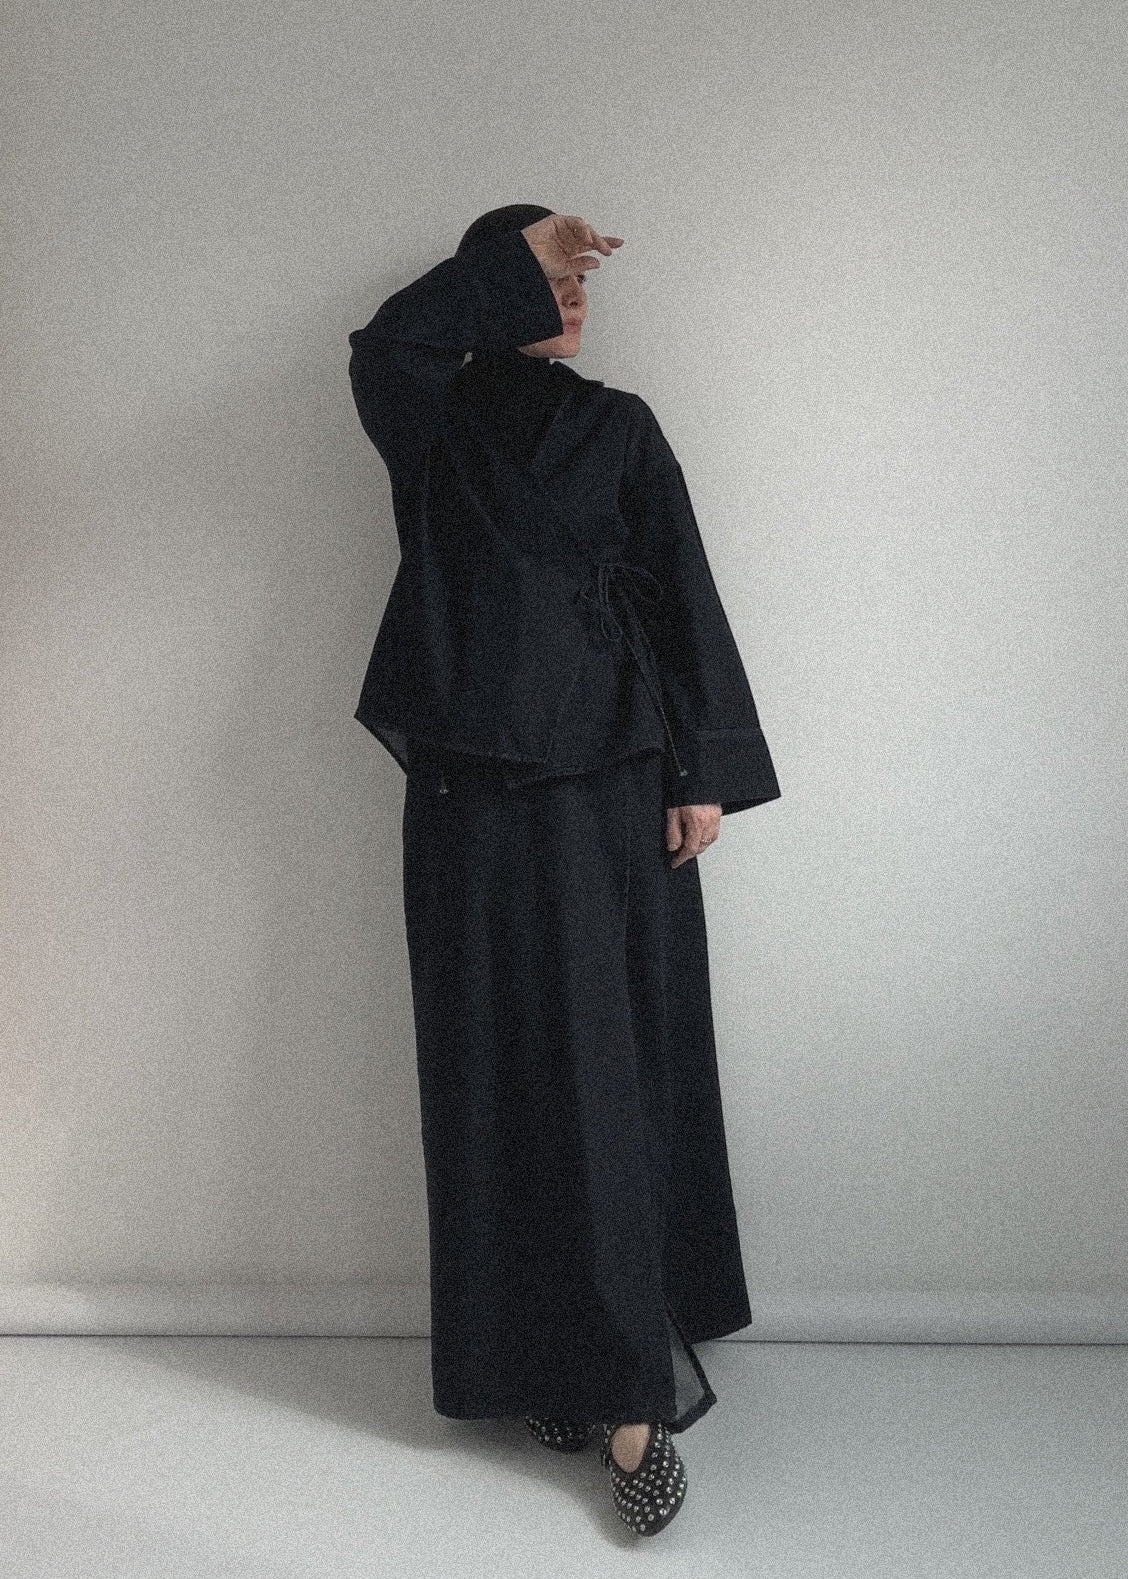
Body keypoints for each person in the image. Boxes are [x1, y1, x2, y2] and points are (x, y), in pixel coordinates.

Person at [347, 204, 781, 1535]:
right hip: (470, 790)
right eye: (546, 277)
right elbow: (386, 343)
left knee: (606, 1069)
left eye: (581, 280)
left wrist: (703, 771)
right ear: (489, 289)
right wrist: (519, 254)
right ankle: (539, 1360)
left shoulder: (622, 428)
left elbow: (681, 588)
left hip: (610, 784)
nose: (574, 296)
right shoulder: (433, 420)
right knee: (489, 1066)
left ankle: (629, 1390)